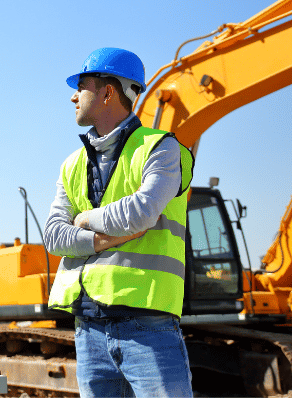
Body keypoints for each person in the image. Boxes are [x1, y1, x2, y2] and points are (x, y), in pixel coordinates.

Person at [43, 47, 195, 398]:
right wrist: (100, 241)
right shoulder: (72, 164)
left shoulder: (161, 149)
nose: (73, 96)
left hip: (148, 326)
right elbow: (53, 236)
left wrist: (83, 220)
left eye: (81, 86)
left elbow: (141, 211)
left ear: (107, 92)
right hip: (89, 327)